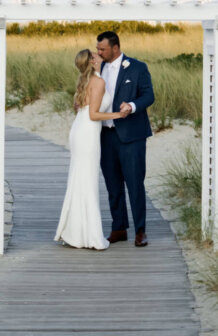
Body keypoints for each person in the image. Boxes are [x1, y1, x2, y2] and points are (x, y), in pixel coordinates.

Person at [54, 49, 129, 250]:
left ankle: (75, 232)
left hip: (80, 129)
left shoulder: (85, 80)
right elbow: (94, 115)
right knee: (86, 181)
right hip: (87, 133)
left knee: (80, 179)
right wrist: (117, 116)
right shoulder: (98, 82)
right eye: (95, 56)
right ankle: (86, 234)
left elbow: (79, 108)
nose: (98, 57)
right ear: (92, 62)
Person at [96, 30, 155, 247]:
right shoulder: (98, 68)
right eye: (97, 48)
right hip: (105, 135)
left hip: (132, 136)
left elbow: (149, 95)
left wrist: (132, 106)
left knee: (134, 183)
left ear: (115, 47)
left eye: (102, 49)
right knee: (113, 185)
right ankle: (119, 228)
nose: (98, 52)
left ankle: (141, 231)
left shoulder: (138, 67)